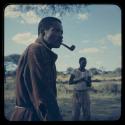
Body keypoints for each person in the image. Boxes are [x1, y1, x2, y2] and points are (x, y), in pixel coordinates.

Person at [10, 17, 63, 121]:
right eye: (56, 31)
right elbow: (44, 94)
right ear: (43, 32)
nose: (61, 36)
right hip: (30, 116)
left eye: (61, 32)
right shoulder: (37, 50)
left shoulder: (45, 53)